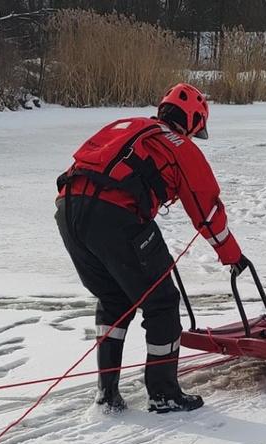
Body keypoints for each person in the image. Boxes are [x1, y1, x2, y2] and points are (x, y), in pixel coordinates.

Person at [56, 83, 249, 413]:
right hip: (115, 216)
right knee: (162, 303)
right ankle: (163, 393)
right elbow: (208, 210)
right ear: (192, 121)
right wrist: (232, 255)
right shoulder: (179, 146)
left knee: (114, 298)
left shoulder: (127, 126)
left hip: (68, 211)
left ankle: (107, 392)